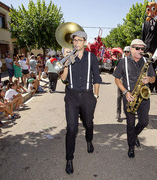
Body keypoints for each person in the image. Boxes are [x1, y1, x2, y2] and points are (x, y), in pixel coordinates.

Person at [59, 31, 101, 175]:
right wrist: (65, 63)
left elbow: (97, 77)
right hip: (71, 96)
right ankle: (69, 159)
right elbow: (63, 79)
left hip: (88, 96)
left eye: (79, 40)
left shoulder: (92, 57)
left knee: (89, 123)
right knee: (71, 129)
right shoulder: (69, 58)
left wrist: (95, 95)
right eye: (74, 40)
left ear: (84, 42)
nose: (76, 43)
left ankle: (89, 140)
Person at [113, 39, 156, 159]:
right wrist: (125, 92)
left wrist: (149, 79)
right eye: (137, 48)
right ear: (131, 49)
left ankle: (134, 135)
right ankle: (131, 146)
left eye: (142, 49)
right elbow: (117, 79)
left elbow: (153, 78)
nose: (140, 51)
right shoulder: (123, 61)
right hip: (129, 97)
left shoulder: (147, 62)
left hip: (143, 97)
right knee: (130, 124)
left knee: (144, 122)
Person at [115, 46, 131, 121]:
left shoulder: (133, 61)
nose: (126, 53)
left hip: (129, 83)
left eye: (127, 51)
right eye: (125, 51)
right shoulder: (121, 60)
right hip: (121, 82)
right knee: (119, 97)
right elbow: (115, 68)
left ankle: (128, 112)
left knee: (128, 98)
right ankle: (118, 113)